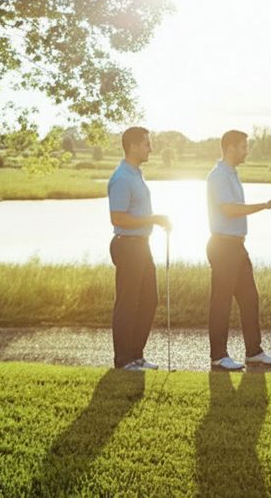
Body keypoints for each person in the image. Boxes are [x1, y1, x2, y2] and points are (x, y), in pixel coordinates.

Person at [206, 130, 271, 371]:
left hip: (236, 245)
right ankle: (219, 356)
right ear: (230, 147)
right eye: (243, 147)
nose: (246, 151)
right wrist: (264, 206)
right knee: (221, 302)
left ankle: (254, 352)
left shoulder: (232, 173)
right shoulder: (218, 175)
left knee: (250, 299)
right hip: (223, 246)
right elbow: (229, 210)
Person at [107, 126, 172, 371]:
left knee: (148, 300)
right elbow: (118, 218)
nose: (151, 148)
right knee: (128, 303)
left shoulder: (136, 173)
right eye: (147, 144)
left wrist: (154, 221)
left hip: (141, 246)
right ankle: (123, 360)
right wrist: (153, 219)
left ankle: (136, 356)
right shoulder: (122, 177)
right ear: (133, 146)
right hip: (127, 246)